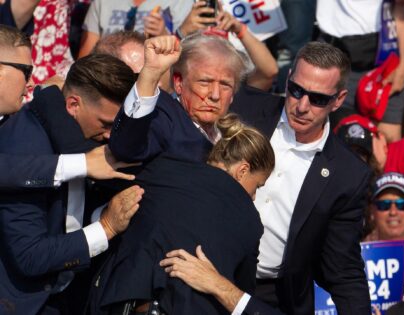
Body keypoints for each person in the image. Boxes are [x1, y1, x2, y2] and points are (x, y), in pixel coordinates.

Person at [169, 41, 371, 315]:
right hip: (201, 267)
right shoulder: (244, 107)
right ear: (288, 79)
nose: (302, 106)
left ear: (338, 100)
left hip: (273, 295)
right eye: (296, 90)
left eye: (318, 98)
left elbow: (343, 267)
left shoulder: (348, 175)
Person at [89, 113, 275, 315]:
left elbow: (108, 169)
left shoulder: (164, 169)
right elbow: (241, 294)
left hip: (123, 302)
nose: (254, 196)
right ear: (242, 170)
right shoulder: (250, 221)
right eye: (257, 185)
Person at [0, 53, 143, 315]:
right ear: (73, 105)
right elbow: (30, 256)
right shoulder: (25, 146)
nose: (111, 135)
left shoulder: (79, 136)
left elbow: (71, 213)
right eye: (106, 124)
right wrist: (106, 227)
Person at [0, 24, 135, 191]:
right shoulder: (23, 129)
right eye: (26, 72)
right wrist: (83, 164)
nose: (31, 83)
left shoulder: (15, 122)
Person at [109, 33, 249, 163]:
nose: (215, 95)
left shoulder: (235, 137)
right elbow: (127, 148)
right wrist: (151, 73)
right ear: (178, 83)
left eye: (225, 85)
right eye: (205, 82)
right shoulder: (163, 117)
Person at [316, 0, 404, 141]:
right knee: (339, 141)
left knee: (387, 142)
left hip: (384, 60)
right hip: (335, 58)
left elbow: (403, 6)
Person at [79, 0, 193, 57]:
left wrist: (162, 36)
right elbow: (84, 60)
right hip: (106, 79)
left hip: (154, 81)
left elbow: (187, 59)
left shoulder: (181, 2)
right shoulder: (102, 2)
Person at [370, 172, 404, 281]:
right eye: (384, 205)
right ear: (372, 211)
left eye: (402, 205)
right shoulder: (356, 258)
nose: (393, 212)